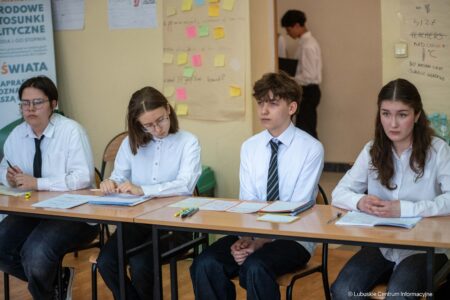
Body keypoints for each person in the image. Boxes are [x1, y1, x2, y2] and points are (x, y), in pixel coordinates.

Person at [190, 72, 324, 300]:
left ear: (291, 108)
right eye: (261, 103)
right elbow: (248, 201)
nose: (263, 110)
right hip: (253, 231)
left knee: (255, 267)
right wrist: (247, 239)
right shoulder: (250, 146)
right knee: (204, 263)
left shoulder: (311, 148)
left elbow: (296, 207)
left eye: (272, 103)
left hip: (294, 237)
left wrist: (261, 242)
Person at [331, 78, 450, 299]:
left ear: (416, 115)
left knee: (398, 295)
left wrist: (405, 209)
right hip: (382, 245)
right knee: (343, 291)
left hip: (425, 248)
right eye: (386, 114)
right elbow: (338, 193)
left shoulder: (438, 150)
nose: (392, 124)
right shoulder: (371, 149)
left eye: (402, 115)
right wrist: (360, 201)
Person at [97, 86, 201, 300]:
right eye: (148, 125)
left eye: (160, 120)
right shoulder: (131, 143)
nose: (157, 128)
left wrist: (143, 189)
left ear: (168, 110)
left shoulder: (188, 142)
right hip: (137, 221)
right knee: (106, 261)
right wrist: (109, 182)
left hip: (174, 224)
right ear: (137, 124)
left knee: (141, 262)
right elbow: (118, 176)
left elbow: (185, 185)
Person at [0, 75, 98, 299]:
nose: (30, 109)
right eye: (25, 103)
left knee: (36, 253)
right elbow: (3, 168)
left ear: (53, 104)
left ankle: (49, 290)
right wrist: (8, 178)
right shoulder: (17, 135)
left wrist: (37, 183)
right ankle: (56, 282)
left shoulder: (72, 131)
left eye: (37, 102)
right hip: (33, 211)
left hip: (75, 213)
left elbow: (83, 177)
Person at [281, 9, 322, 139]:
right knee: (305, 129)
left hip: (308, 92)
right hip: (307, 91)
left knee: (307, 130)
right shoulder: (305, 43)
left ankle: (313, 158)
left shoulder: (308, 46)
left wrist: (289, 79)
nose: (288, 33)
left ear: (297, 26)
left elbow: (309, 76)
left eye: (288, 29)